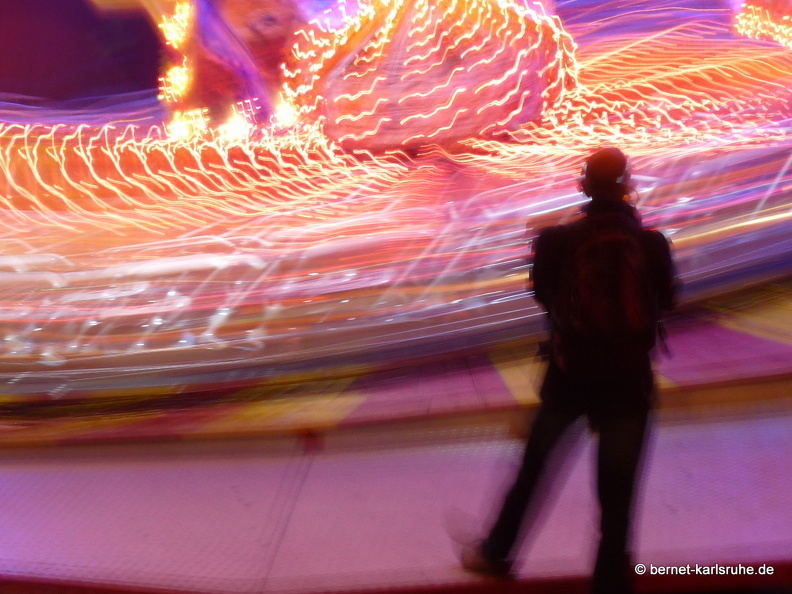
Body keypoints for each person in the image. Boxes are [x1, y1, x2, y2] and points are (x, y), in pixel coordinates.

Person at [461, 147, 677, 593]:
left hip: (569, 375)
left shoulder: (556, 241)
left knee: (535, 468)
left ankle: (497, 553)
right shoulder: (651, 244)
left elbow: (543, 295)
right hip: (629, 381)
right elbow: (668, 300)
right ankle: (609, 581)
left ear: (583, 187)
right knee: (617, 496)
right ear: (628, 188)